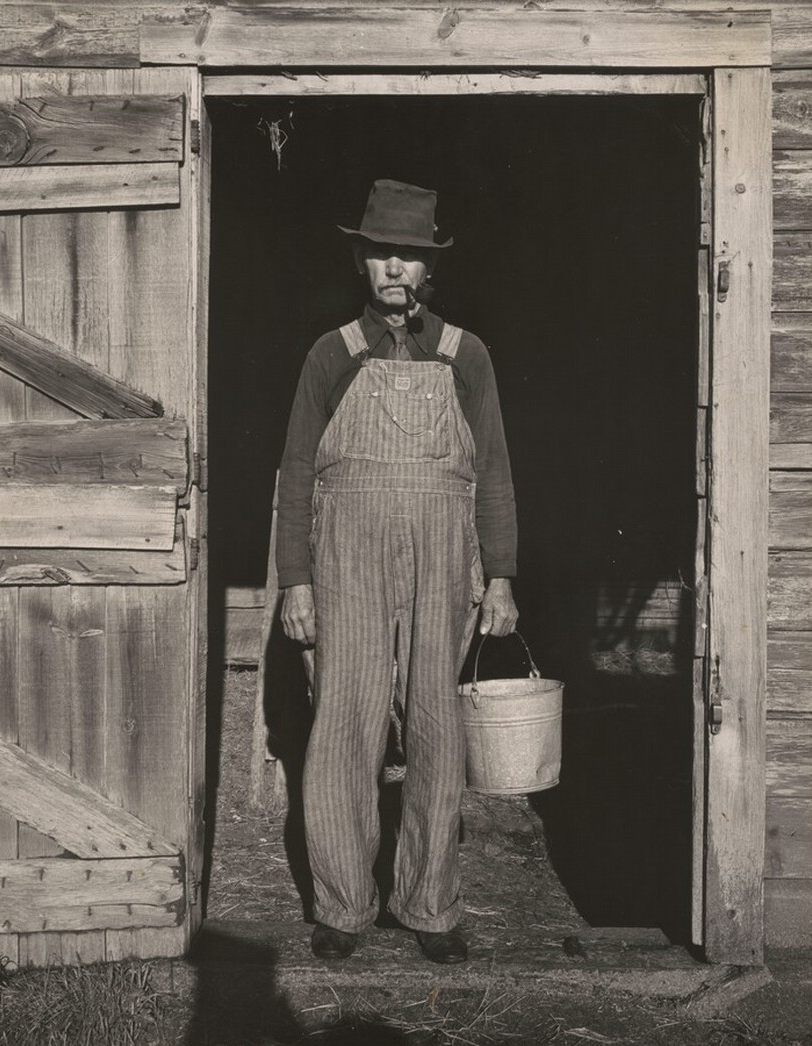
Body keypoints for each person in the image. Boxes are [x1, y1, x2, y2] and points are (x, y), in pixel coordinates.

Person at [277, 179, 518, 964]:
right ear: (359, 260)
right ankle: (342, 906)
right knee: (344, 718)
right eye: (381, 253)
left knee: (435, 726)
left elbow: (495, 474)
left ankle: (429, 904)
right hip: (345, 557)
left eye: (409, 257)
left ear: (429, 269)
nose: (394, 269)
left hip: (444, 558)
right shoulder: (330, 355)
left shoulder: (466, 355)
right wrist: (296, 581)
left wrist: (503, 576)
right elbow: (292, 475)